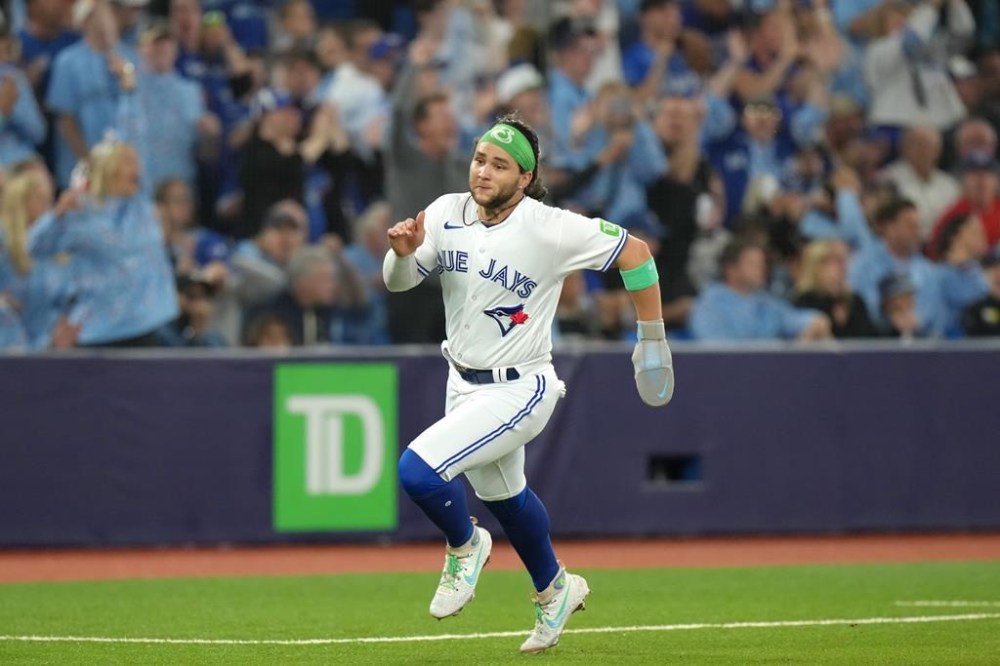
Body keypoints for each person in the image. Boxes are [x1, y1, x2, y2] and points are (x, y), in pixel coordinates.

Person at [383, 115, 673, 654]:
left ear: (525, 177)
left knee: (418, 471)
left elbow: (636, 252)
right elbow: (397, 283)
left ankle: (466, 546)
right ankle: (555, 589)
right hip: (463, 381)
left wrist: (651, 337)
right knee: (506, 496)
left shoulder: (550, 226)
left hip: (521, 388)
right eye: (479, 159)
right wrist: (402, 255)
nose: (484, 172)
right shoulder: (446, 212)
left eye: (500, 165)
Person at [689, 237, 832, 341]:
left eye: (762, 264)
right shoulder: (709, 304)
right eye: (752, 264)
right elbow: (715, 352)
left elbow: (804, 320)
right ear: (731, 269)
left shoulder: (765, 301)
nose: (761, 269)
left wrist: (815, 324)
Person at [793, 239, 879, 338]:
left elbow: (872, 341)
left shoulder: (856, 301)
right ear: (817, 267)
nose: (842, 266)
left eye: (843, 260)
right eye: (834, 261)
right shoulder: (804, 302)